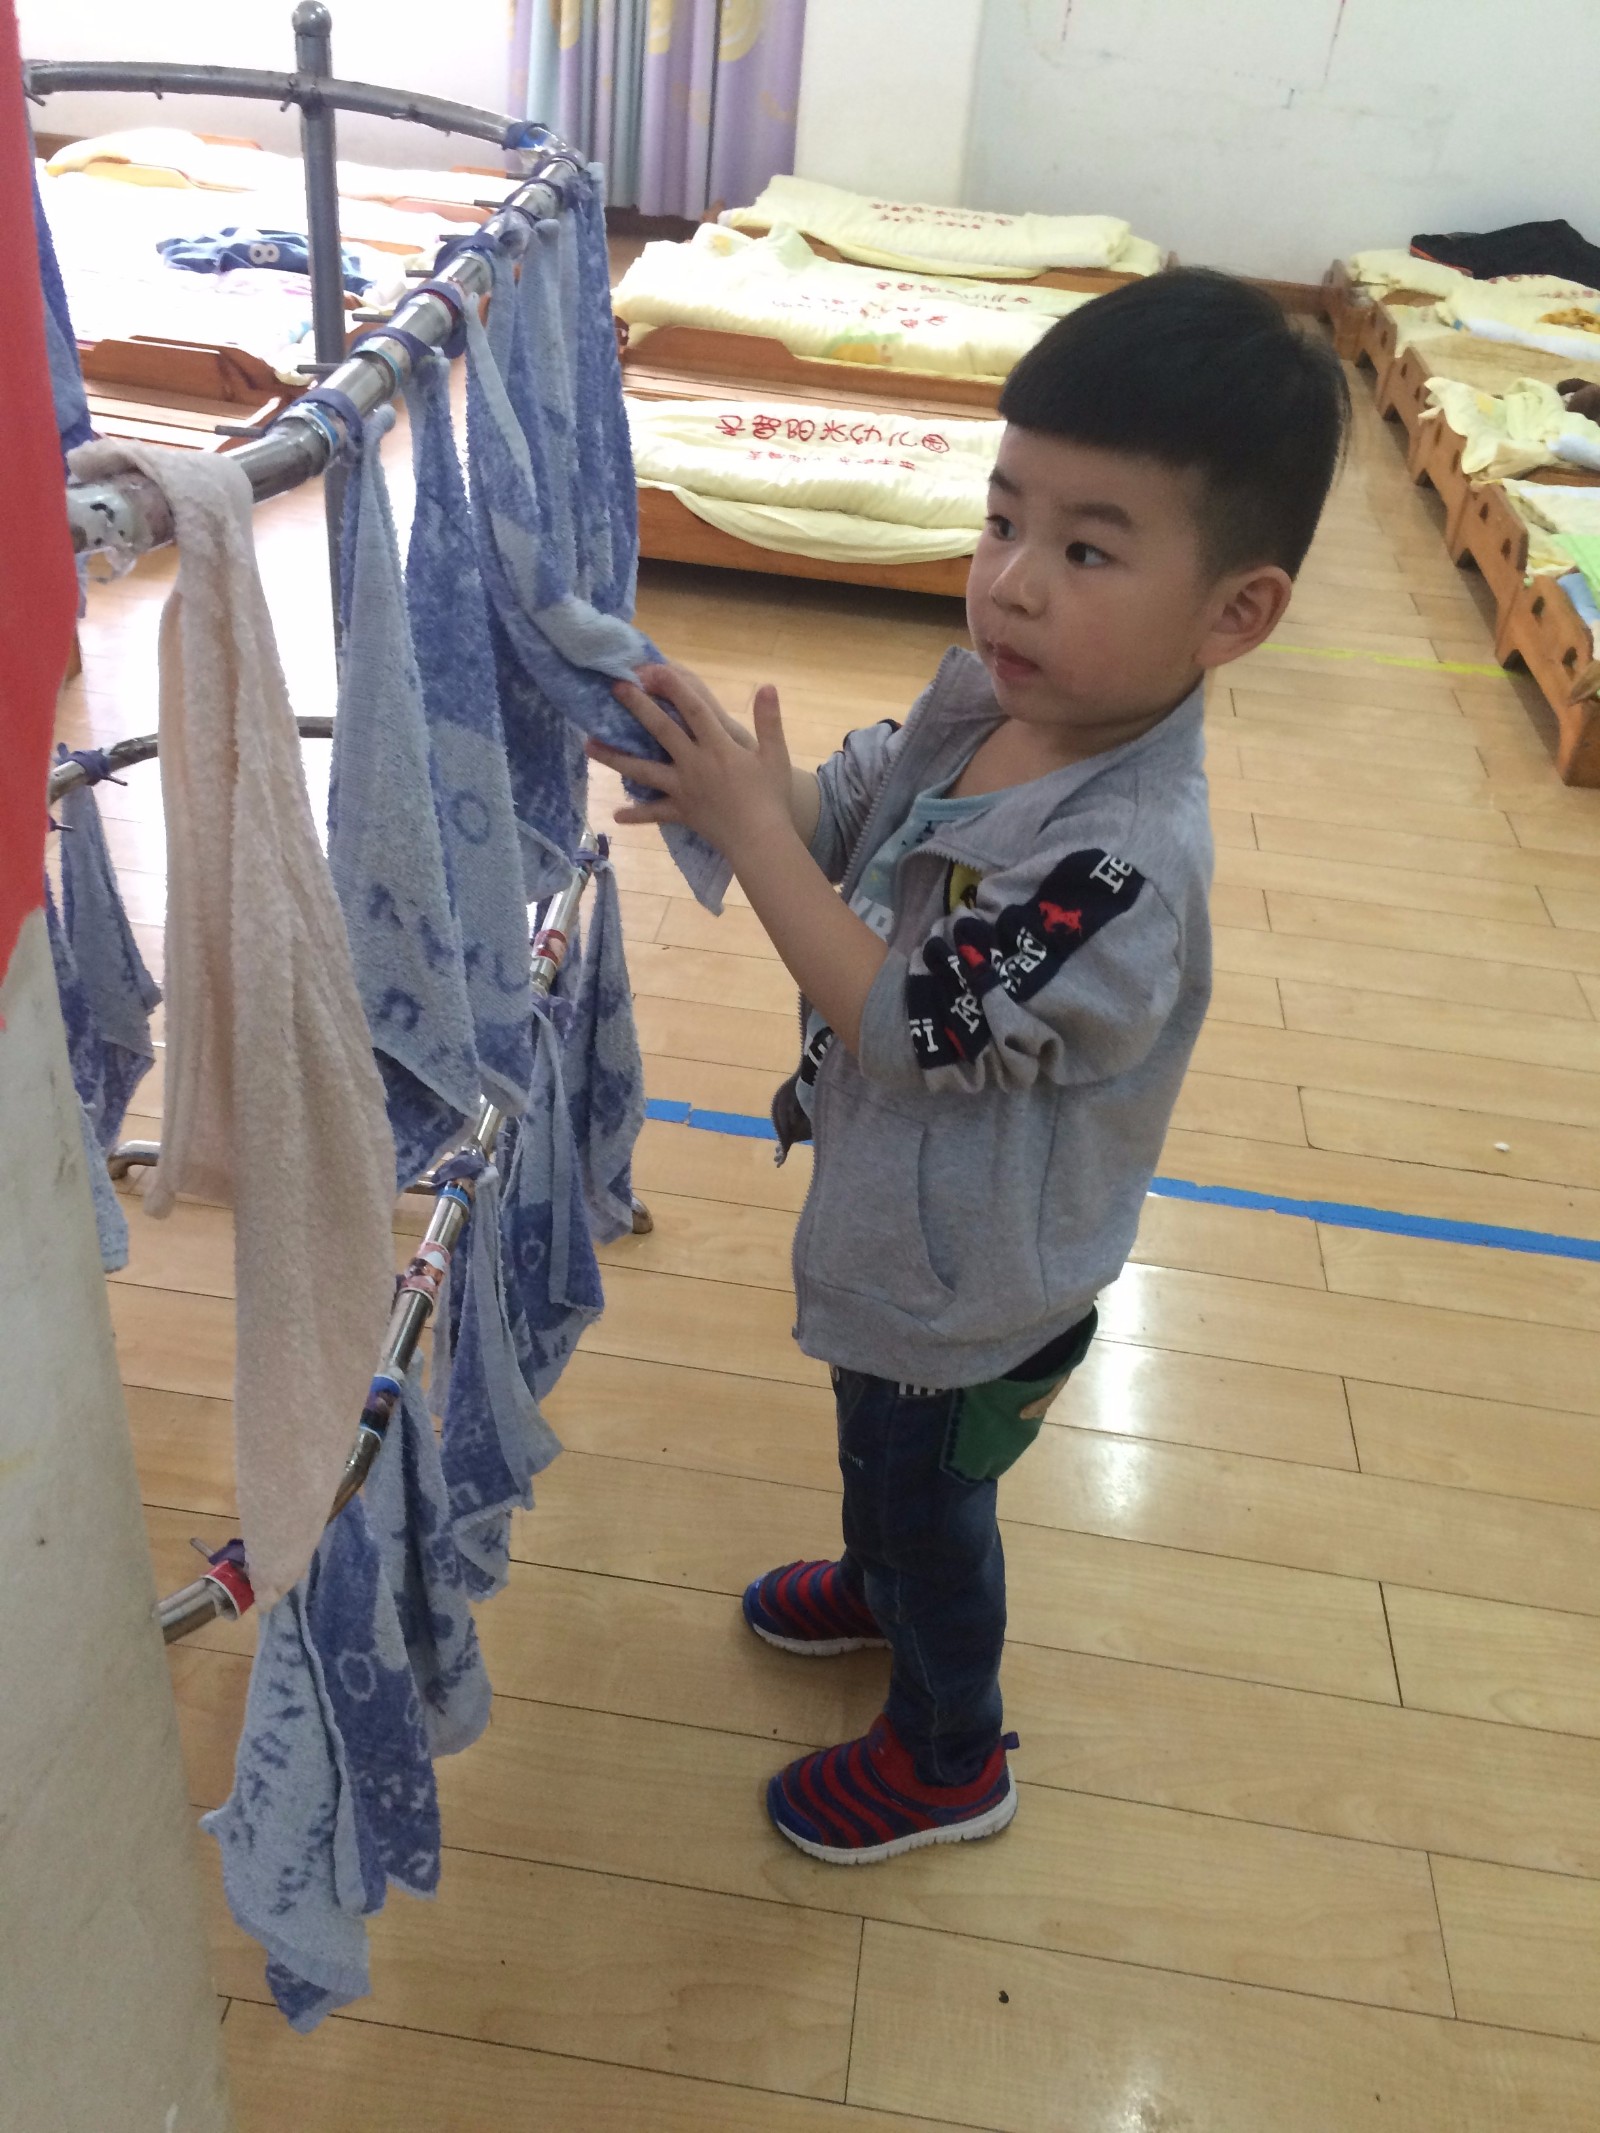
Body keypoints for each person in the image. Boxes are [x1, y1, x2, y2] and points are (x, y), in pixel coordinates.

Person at [588, 267, 1351, 1864]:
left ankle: (949, 1751)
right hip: (902, 1242)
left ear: (1236, 613)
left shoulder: (1118, 867)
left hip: (976, 1283)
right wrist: (753, 788)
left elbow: (918, 1025)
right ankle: (878, 1582)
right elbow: (854, 813)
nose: (1010, 583)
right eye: (1003, 520)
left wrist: (752, 842)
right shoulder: (981, 702)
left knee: (935, 1508)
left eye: (1086, 549)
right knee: (880, 1454)